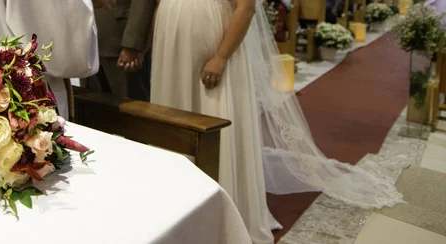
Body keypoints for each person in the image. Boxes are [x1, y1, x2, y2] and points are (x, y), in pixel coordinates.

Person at [150, 0, 405, 243]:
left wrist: (221, 57)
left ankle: (221, 207)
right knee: (173, 116)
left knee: (212, 115)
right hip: (173, 48)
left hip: (215, 48)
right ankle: (177, 199)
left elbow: (246, 8)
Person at [83, 0, 155, 101]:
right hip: (86, 39)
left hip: (120, 39)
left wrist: (132, 43)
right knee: (89, 106)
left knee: (130, 107)